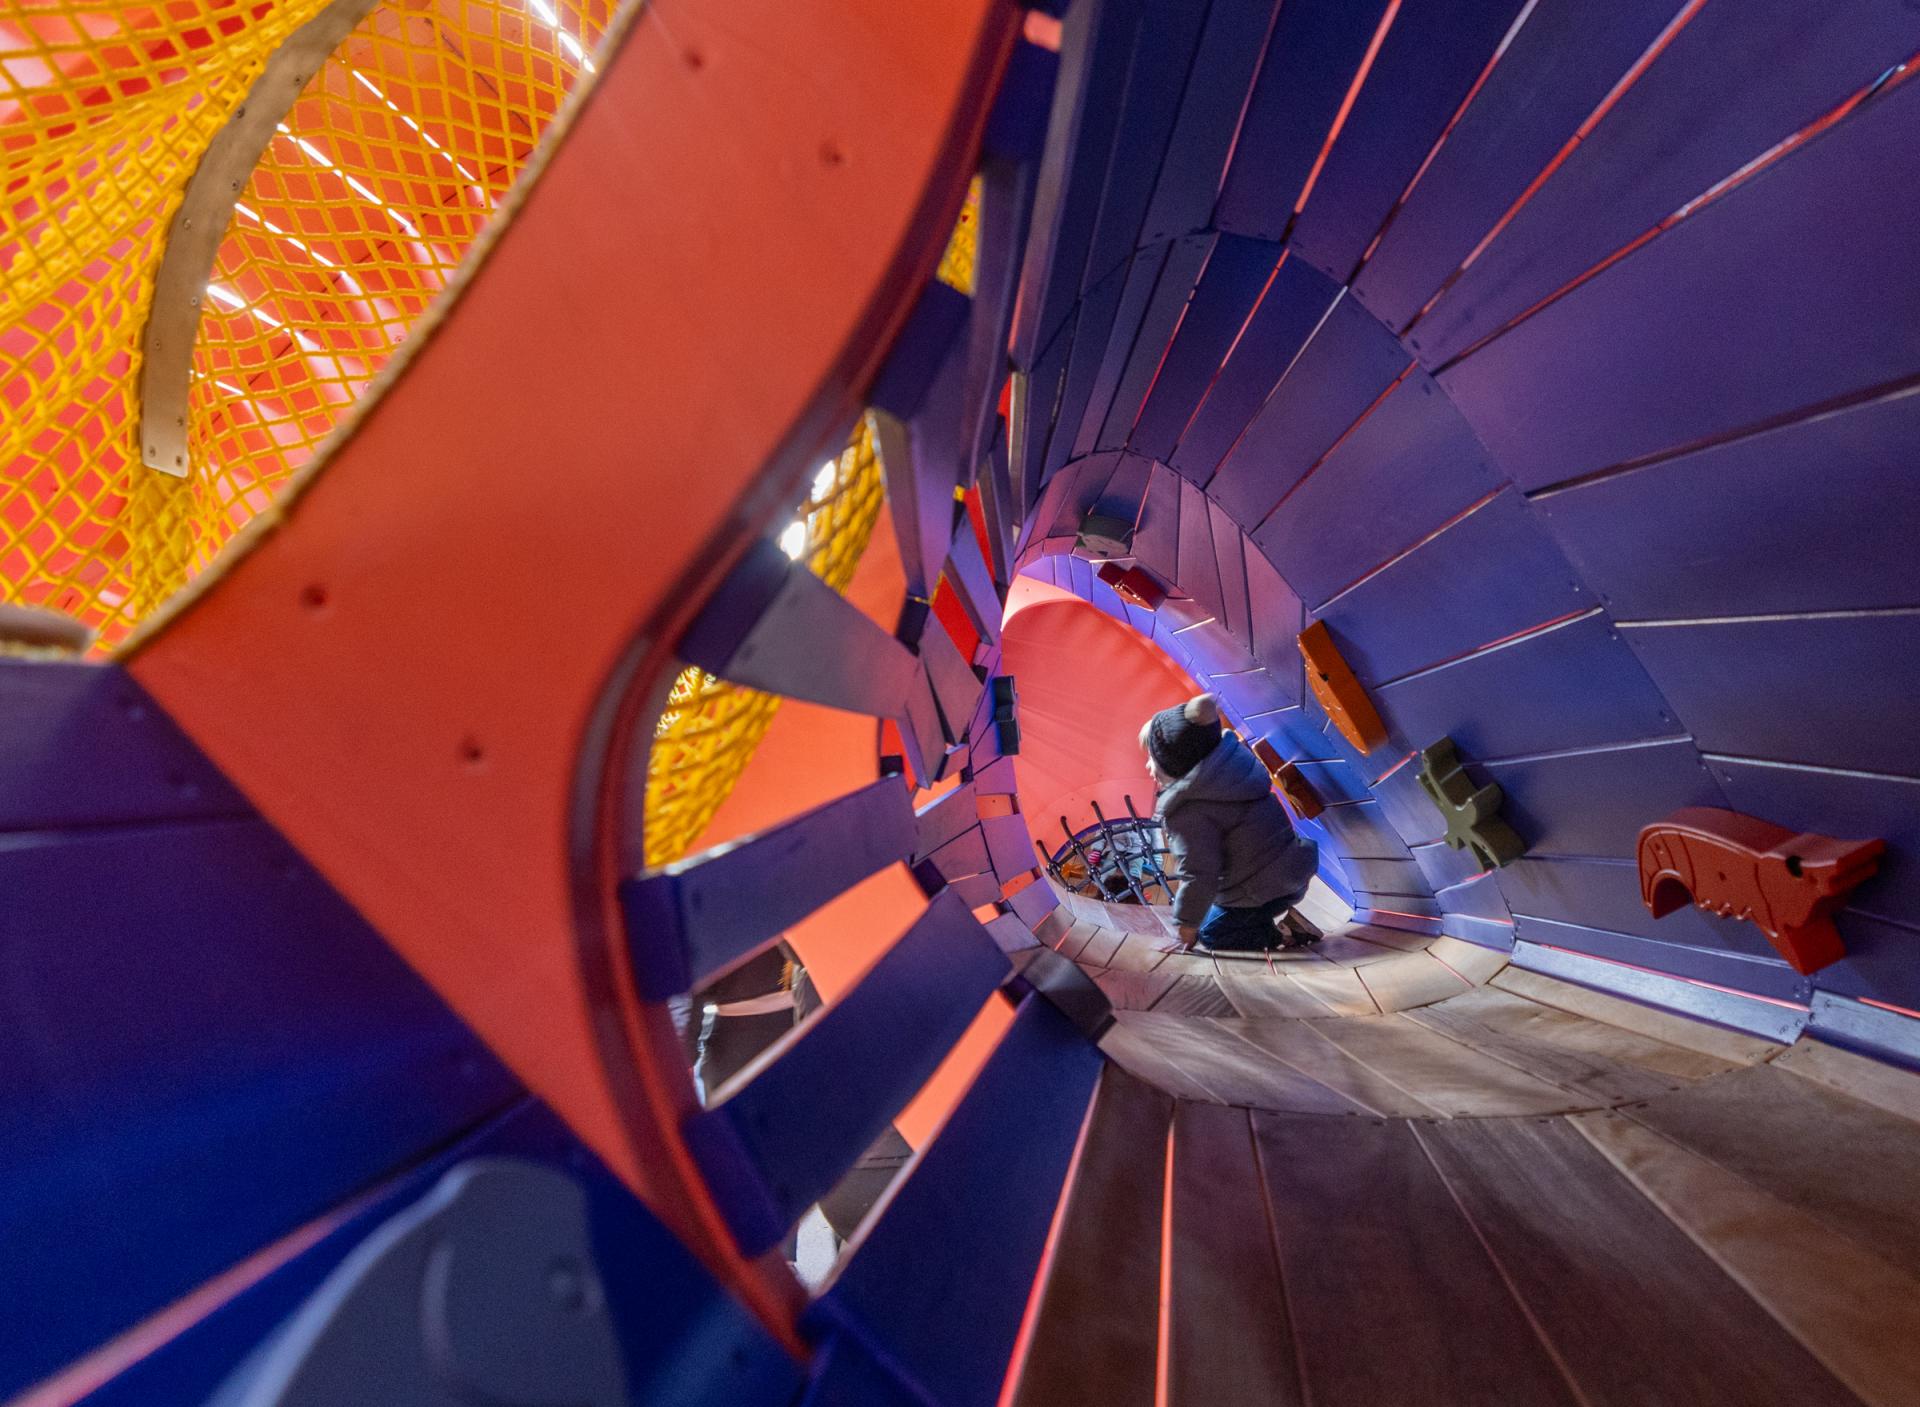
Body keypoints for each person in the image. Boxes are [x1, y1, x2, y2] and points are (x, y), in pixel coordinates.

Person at [1141, 693, 1319, 952]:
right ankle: (1269, 922)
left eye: (1153, 758)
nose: (1148, 765)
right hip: (1296, 865)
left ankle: (1284, 935)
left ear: (1176, 765)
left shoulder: (1190, 811)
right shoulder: (1237, 769)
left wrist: (1186, 926)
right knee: (1219, 910)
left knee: (1211, 934)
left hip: (1260, 889)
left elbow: (1199, 873)